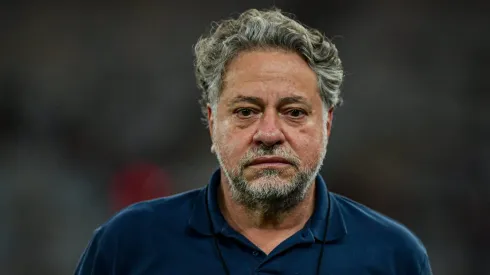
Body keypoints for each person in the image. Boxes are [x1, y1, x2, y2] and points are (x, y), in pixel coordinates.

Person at [74, 8, 432, 275]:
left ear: (328, 123)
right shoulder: (128, 244)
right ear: (213, 122)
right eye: (246, 111)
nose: (269, 133)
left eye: (294, 112)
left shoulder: (394, 255)